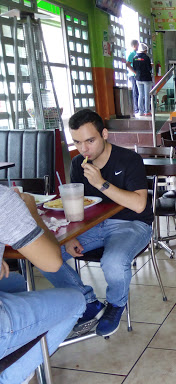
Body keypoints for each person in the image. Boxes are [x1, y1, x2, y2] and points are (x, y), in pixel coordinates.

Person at [41, 109, 153, 338]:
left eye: (90, 141)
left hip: (131, 224)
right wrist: (71, 235)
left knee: (113, 261)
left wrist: (102, 183)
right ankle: (89, 303)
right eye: (78, 142)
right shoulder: (77, 164)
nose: (84, 149)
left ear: (104, 134)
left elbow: (140, 205)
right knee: (43, 255)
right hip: (92, 226)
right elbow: (75, 203)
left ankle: (115, 305)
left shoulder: (129, 159)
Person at [0, 186, 86, 383]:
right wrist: (31, 211)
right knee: (77, 300)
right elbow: (52, 263)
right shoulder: (4, 198)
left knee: (17, 282)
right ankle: (11, 378)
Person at [132, 42, 153, 117]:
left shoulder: (135, 57)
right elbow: (149, 68)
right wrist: (151, 65)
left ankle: (140, 111)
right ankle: (147, 111)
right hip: (146, 78)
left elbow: (134, 68)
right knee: (147, 95)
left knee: (140, 94)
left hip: (138, 78)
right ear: (145, 50)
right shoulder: (146, 58)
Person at [126, 40, 139, 116]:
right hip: (133, 76)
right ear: (134, 45)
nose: (138, 47)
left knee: (137, 92)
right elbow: (128, 64)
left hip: (136, 75)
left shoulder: (136, 54)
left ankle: (138, 108)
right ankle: (136, 108)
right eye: (137, 45)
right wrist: (134, 72)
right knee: (135, 92)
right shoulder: (131, 54)